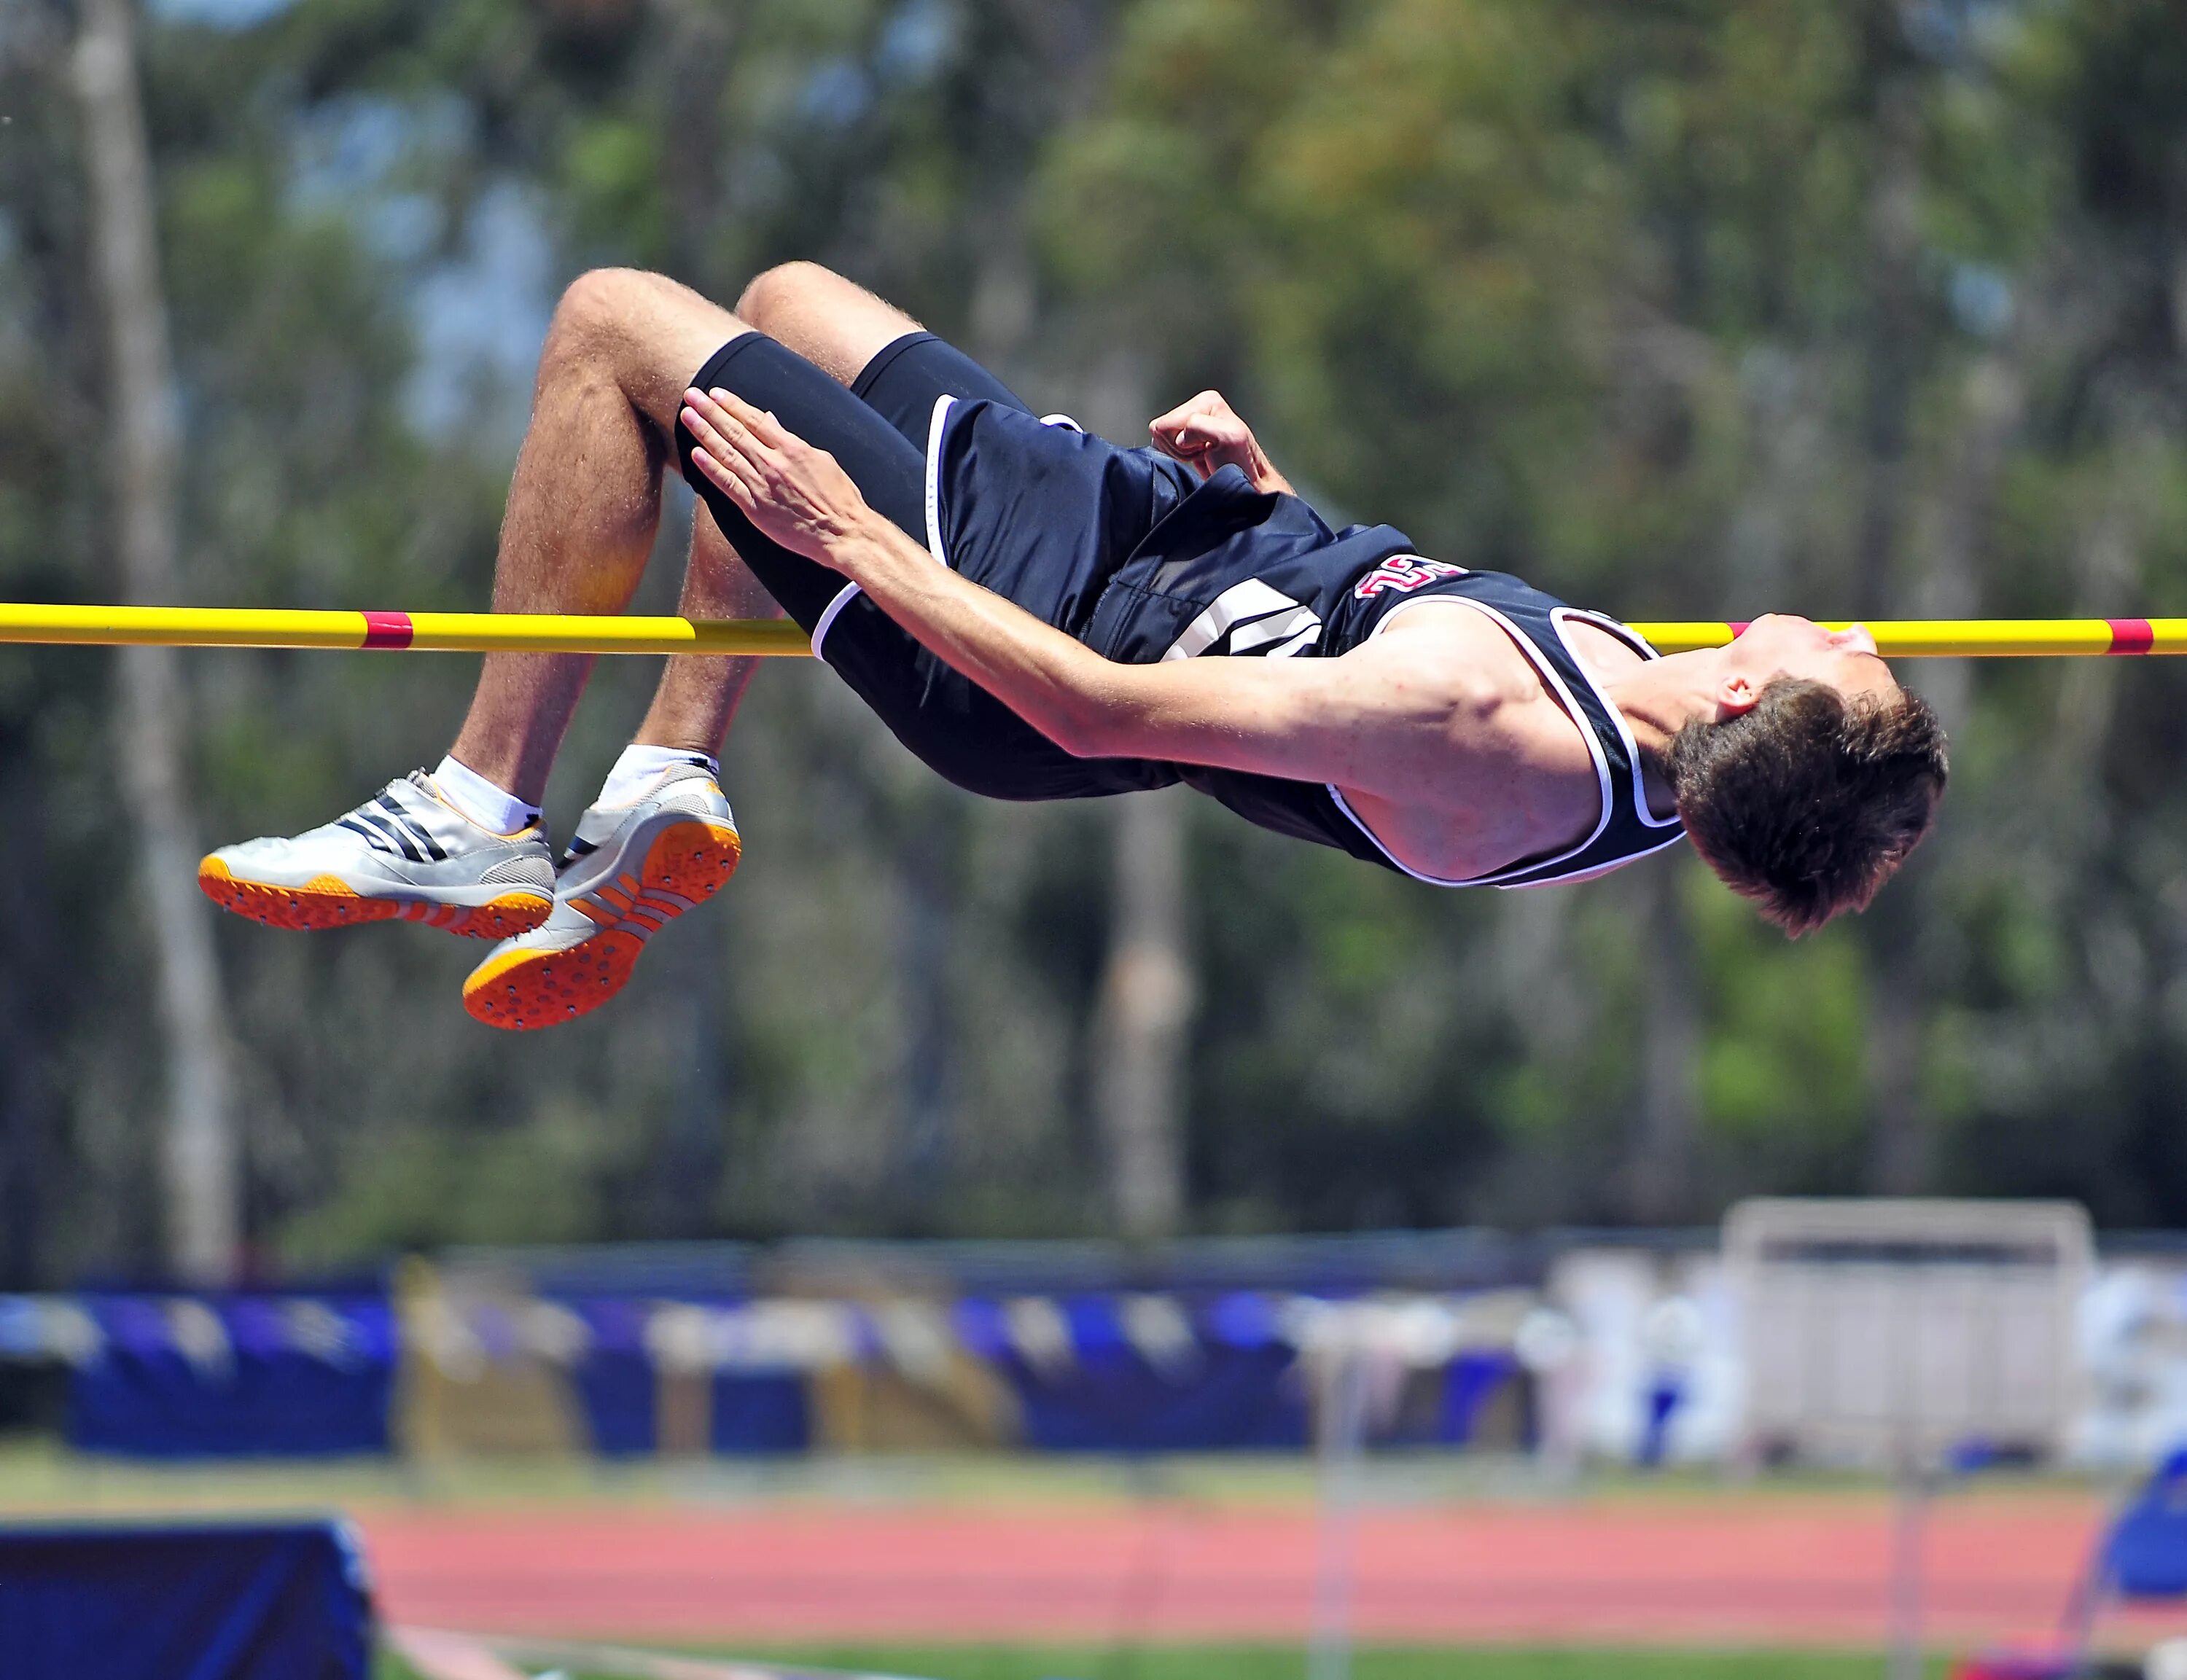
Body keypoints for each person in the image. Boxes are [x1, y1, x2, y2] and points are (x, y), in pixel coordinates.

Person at [200, 265, 1949, 1031]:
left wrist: (855, 544)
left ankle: (481, 805)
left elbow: (1100, 708)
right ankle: (667, 779)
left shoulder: (1486, 726)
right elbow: (1365, 634)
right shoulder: (1668, 710)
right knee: (794, 300)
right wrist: (1293, 511)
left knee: (619, 328)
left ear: (1749, 697)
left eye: (1845, 659)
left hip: (1035, 636)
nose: (1854, 627)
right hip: (1165, 540)